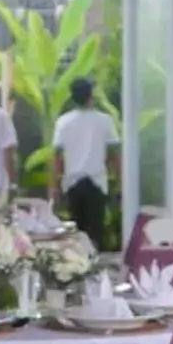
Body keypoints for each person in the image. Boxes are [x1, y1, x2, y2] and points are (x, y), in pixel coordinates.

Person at [49, 77, 119, 247]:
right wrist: (119, 181)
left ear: (72, 98)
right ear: (91, 96)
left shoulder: (63, 122)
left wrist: (54, 187)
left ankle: (78, 267)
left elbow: (58, 157)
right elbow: (114, 154)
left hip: (73, 184)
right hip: (97, 183)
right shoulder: (104, 121)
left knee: (76, 235)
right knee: (96, 231)